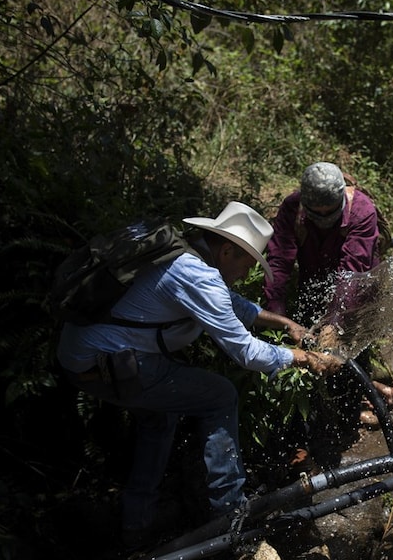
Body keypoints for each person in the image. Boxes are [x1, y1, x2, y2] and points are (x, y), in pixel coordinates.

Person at [55, 201, 342, 550]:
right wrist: (302, 358)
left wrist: (286, 324)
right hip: (103, 364)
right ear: (226, 250)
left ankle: (136, 525)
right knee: (219, 396)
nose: (246, 273)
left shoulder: (184, 255)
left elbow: (231, 303)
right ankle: (231, 517)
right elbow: (248, 354)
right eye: (248, 264)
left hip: (88, 355)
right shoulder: (197, 275)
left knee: (160, 417)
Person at [263, 162, 383, 467]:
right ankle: (304, 431)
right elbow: (278, 265)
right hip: (313, 282)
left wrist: (333, 324)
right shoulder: (292, 208)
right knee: (306, 362)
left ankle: (346, 421)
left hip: (357, 292)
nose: (325, 220)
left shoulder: (362, 211)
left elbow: (351, 273)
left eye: (330, 213)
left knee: (352, 354)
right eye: (317, 215)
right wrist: (276, 321)